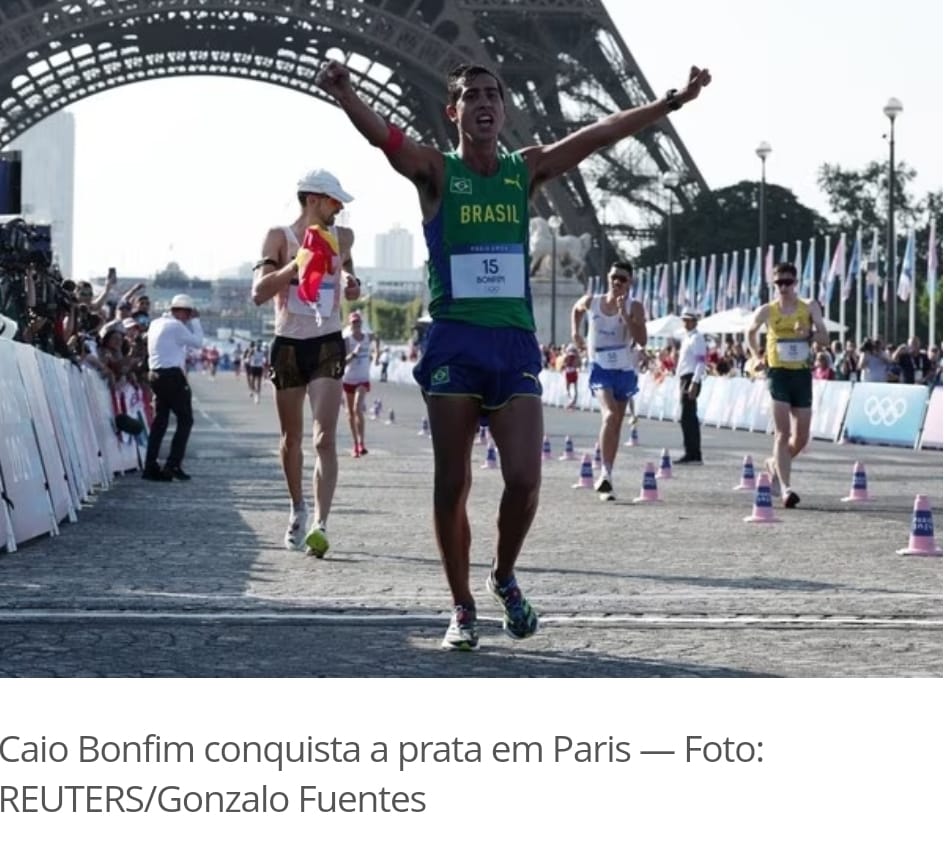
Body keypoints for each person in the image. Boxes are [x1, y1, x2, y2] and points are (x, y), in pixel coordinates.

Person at [316, 55, 711, 649]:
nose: (483, 102)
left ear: (503, 110)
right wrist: (347, 93)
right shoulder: (436, 172)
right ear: (454, 112)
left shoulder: (523, 170)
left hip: (512, 345)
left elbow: (597, 135)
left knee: (525, 479)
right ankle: (462, 605)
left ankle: (502, 576)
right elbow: (387, 140)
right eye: (471, 95)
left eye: (492, 95)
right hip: (455, 342)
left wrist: (668, 104)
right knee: (452, 485)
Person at [251, 169, 361, 557]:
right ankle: (297, 507)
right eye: (335, 201)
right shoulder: (279, 237)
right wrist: (294, 267)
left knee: (324, 438)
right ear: (314, 199)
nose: (340, 208)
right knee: (291, 439)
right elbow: (259, 293)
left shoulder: (343, 237)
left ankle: (321, 522)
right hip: (288, 344)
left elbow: (349, 271)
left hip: (328, 342)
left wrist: (352, 283)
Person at [745, 262, 829, 508]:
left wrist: (809, 334)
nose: (783, 287)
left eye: (787, 282)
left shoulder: (809, 307)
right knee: (782, 433)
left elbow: (824, 338)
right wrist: (756, 357)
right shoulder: (768, 310)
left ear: (795, 283)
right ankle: (786, 489)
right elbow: (750, 332)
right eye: (778, 283)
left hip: (801, 374)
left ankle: (774, 464)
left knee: (801, 438)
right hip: (778, 373)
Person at [571, 261, 647, 499]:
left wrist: (625, 315)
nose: (617, 282)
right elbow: (576, 309)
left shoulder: (635, 306)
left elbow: (642, 340)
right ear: (608, 277)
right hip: (600, 366)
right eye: (614, 277)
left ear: (629, 283)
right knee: (610, 414)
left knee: (616, 424)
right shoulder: (592, 301)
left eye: (623, 279)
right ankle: (604, 473)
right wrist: (575, 331)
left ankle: (607, 476)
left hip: (623, 368)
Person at [142, 293, 203, 481]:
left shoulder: (155, 323)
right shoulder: (176, 326)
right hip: (172, 376)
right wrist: (197, 322)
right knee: (186, 420)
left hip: (155, 374)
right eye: (189, 314)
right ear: (183, 312)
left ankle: (150, 465)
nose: (188, 318)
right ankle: (173, 464)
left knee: (160, 421)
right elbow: (198, 342)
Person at [341, 310, 378, 457]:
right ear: (350, 325)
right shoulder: (347, 340)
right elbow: (344, 361)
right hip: (349, 378)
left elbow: (377, 338)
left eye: (358, 322)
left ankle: (362, 442)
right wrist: (353, 354)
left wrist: (377, 353)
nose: (356, 325)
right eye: (353, 323)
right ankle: (355, 444)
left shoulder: (367, 338)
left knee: (357, 408)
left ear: (361, 324)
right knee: (350, 413)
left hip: (362, 379)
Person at [674, 309, 707, 463]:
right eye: (684, 320)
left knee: (688, 417)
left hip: (690, 378)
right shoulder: (687, 338)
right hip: (684, 377)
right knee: (688, 416)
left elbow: (701, 362)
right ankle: (692, 451)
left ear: (695, 322)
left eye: (689, 320)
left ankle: (692, 452)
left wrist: (695, 382)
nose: (686, 323)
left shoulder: (697, 338)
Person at [561, 343, 580, 409]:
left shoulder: (567, 355)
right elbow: (578, 364)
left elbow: (564, 363)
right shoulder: (576, 356)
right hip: (573, 371)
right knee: (574, 388)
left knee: (568, 388)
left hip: (568, 371)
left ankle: (570, 401)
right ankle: (573, 402)